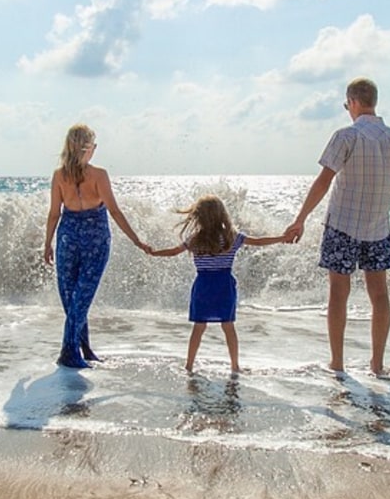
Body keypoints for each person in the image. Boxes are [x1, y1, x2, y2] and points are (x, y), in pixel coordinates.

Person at [285, 77, 390, 375]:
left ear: (353, 102)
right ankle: (377, 364)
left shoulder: (346, 136)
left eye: (347, 105)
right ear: (374, 101)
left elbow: (323, 182)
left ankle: (338, 362)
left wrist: (300, 219)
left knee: (338, 294)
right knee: (379, 295)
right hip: (379, 229)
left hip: (342, 225)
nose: (348, 110)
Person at [44, 124, 149, 369]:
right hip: (95, 239)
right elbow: (113, 210)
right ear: (89, 148)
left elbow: (53, 214)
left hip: (68, 237)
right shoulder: (98, 175)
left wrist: (47, 243)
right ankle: (69, 351)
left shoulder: (60, 175)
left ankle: (84, 348)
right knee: (80, 297)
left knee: (74, 298)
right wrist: (136, 240)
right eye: (93, 145)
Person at [149, 194, 287, 373]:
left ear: (198, 216)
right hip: (224, 287)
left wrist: (153, 252)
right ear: (222, 215)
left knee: (199, 327)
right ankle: (235, 366)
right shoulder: (232, 237)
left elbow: (174, 252)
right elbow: (258, 242)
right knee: (228, 326)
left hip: (203, 286)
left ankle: (189, 365)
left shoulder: (195, 239)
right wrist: (282, 238)